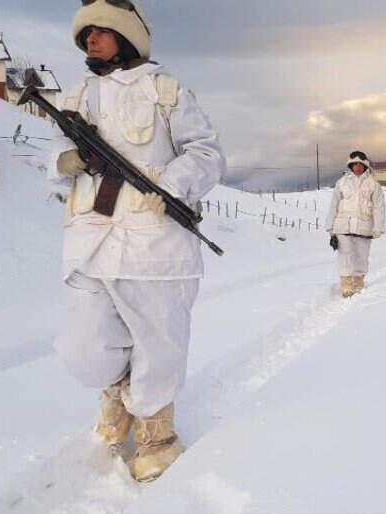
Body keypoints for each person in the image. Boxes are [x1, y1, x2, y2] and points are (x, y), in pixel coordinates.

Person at [50, 0, 226, 482]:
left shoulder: (166, 89)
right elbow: (59, 157)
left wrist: (168, 184)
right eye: (86, 33)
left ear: (125, 37)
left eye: (101, 31)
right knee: (81, 346)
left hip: (154, 243)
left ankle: (155, 431)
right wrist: (65, 162)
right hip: (90, 240)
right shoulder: (79, 97)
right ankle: (116, 390)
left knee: (158, 340)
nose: (91, 40)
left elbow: (207, 154)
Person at [325, 150, 386, 297]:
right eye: (355, 165)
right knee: (345, 255)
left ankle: (358, 282)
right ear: (350, 166)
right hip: (342, 226)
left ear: (365, 166)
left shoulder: (373, 185)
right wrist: (330, 226)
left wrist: (378, 227)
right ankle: (346, 285)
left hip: (364, 226)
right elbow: (334, 204)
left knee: (361, 256)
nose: (357, 167)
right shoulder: (342, 183)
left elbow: (379, 207)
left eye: (360, 165)